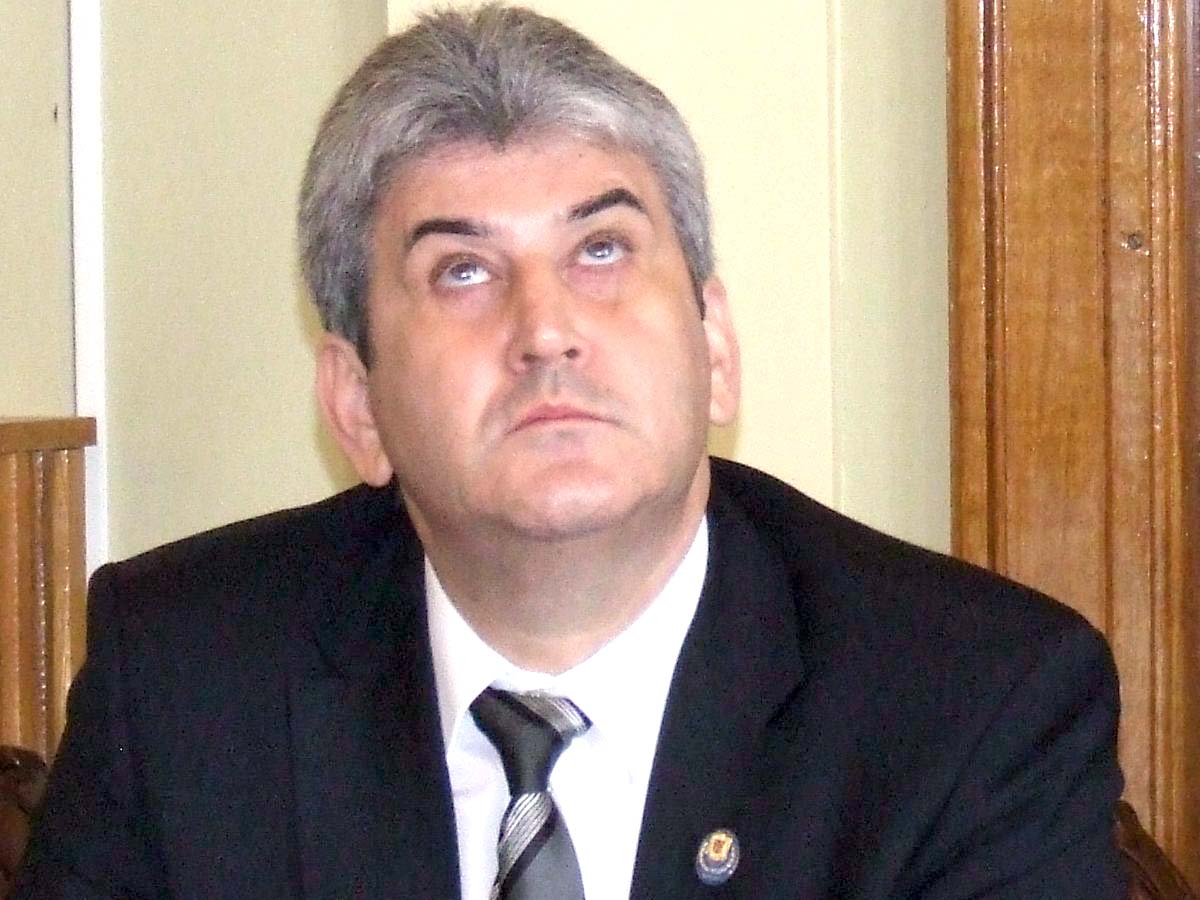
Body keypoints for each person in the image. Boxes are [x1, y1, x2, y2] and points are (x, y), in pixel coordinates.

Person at [16, 5, 1124, 898]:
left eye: (601, 250)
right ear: (356, 405)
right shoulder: (186, 680)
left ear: (715, 347)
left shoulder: (971, 705)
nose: (545, 329)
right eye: (462, 271)